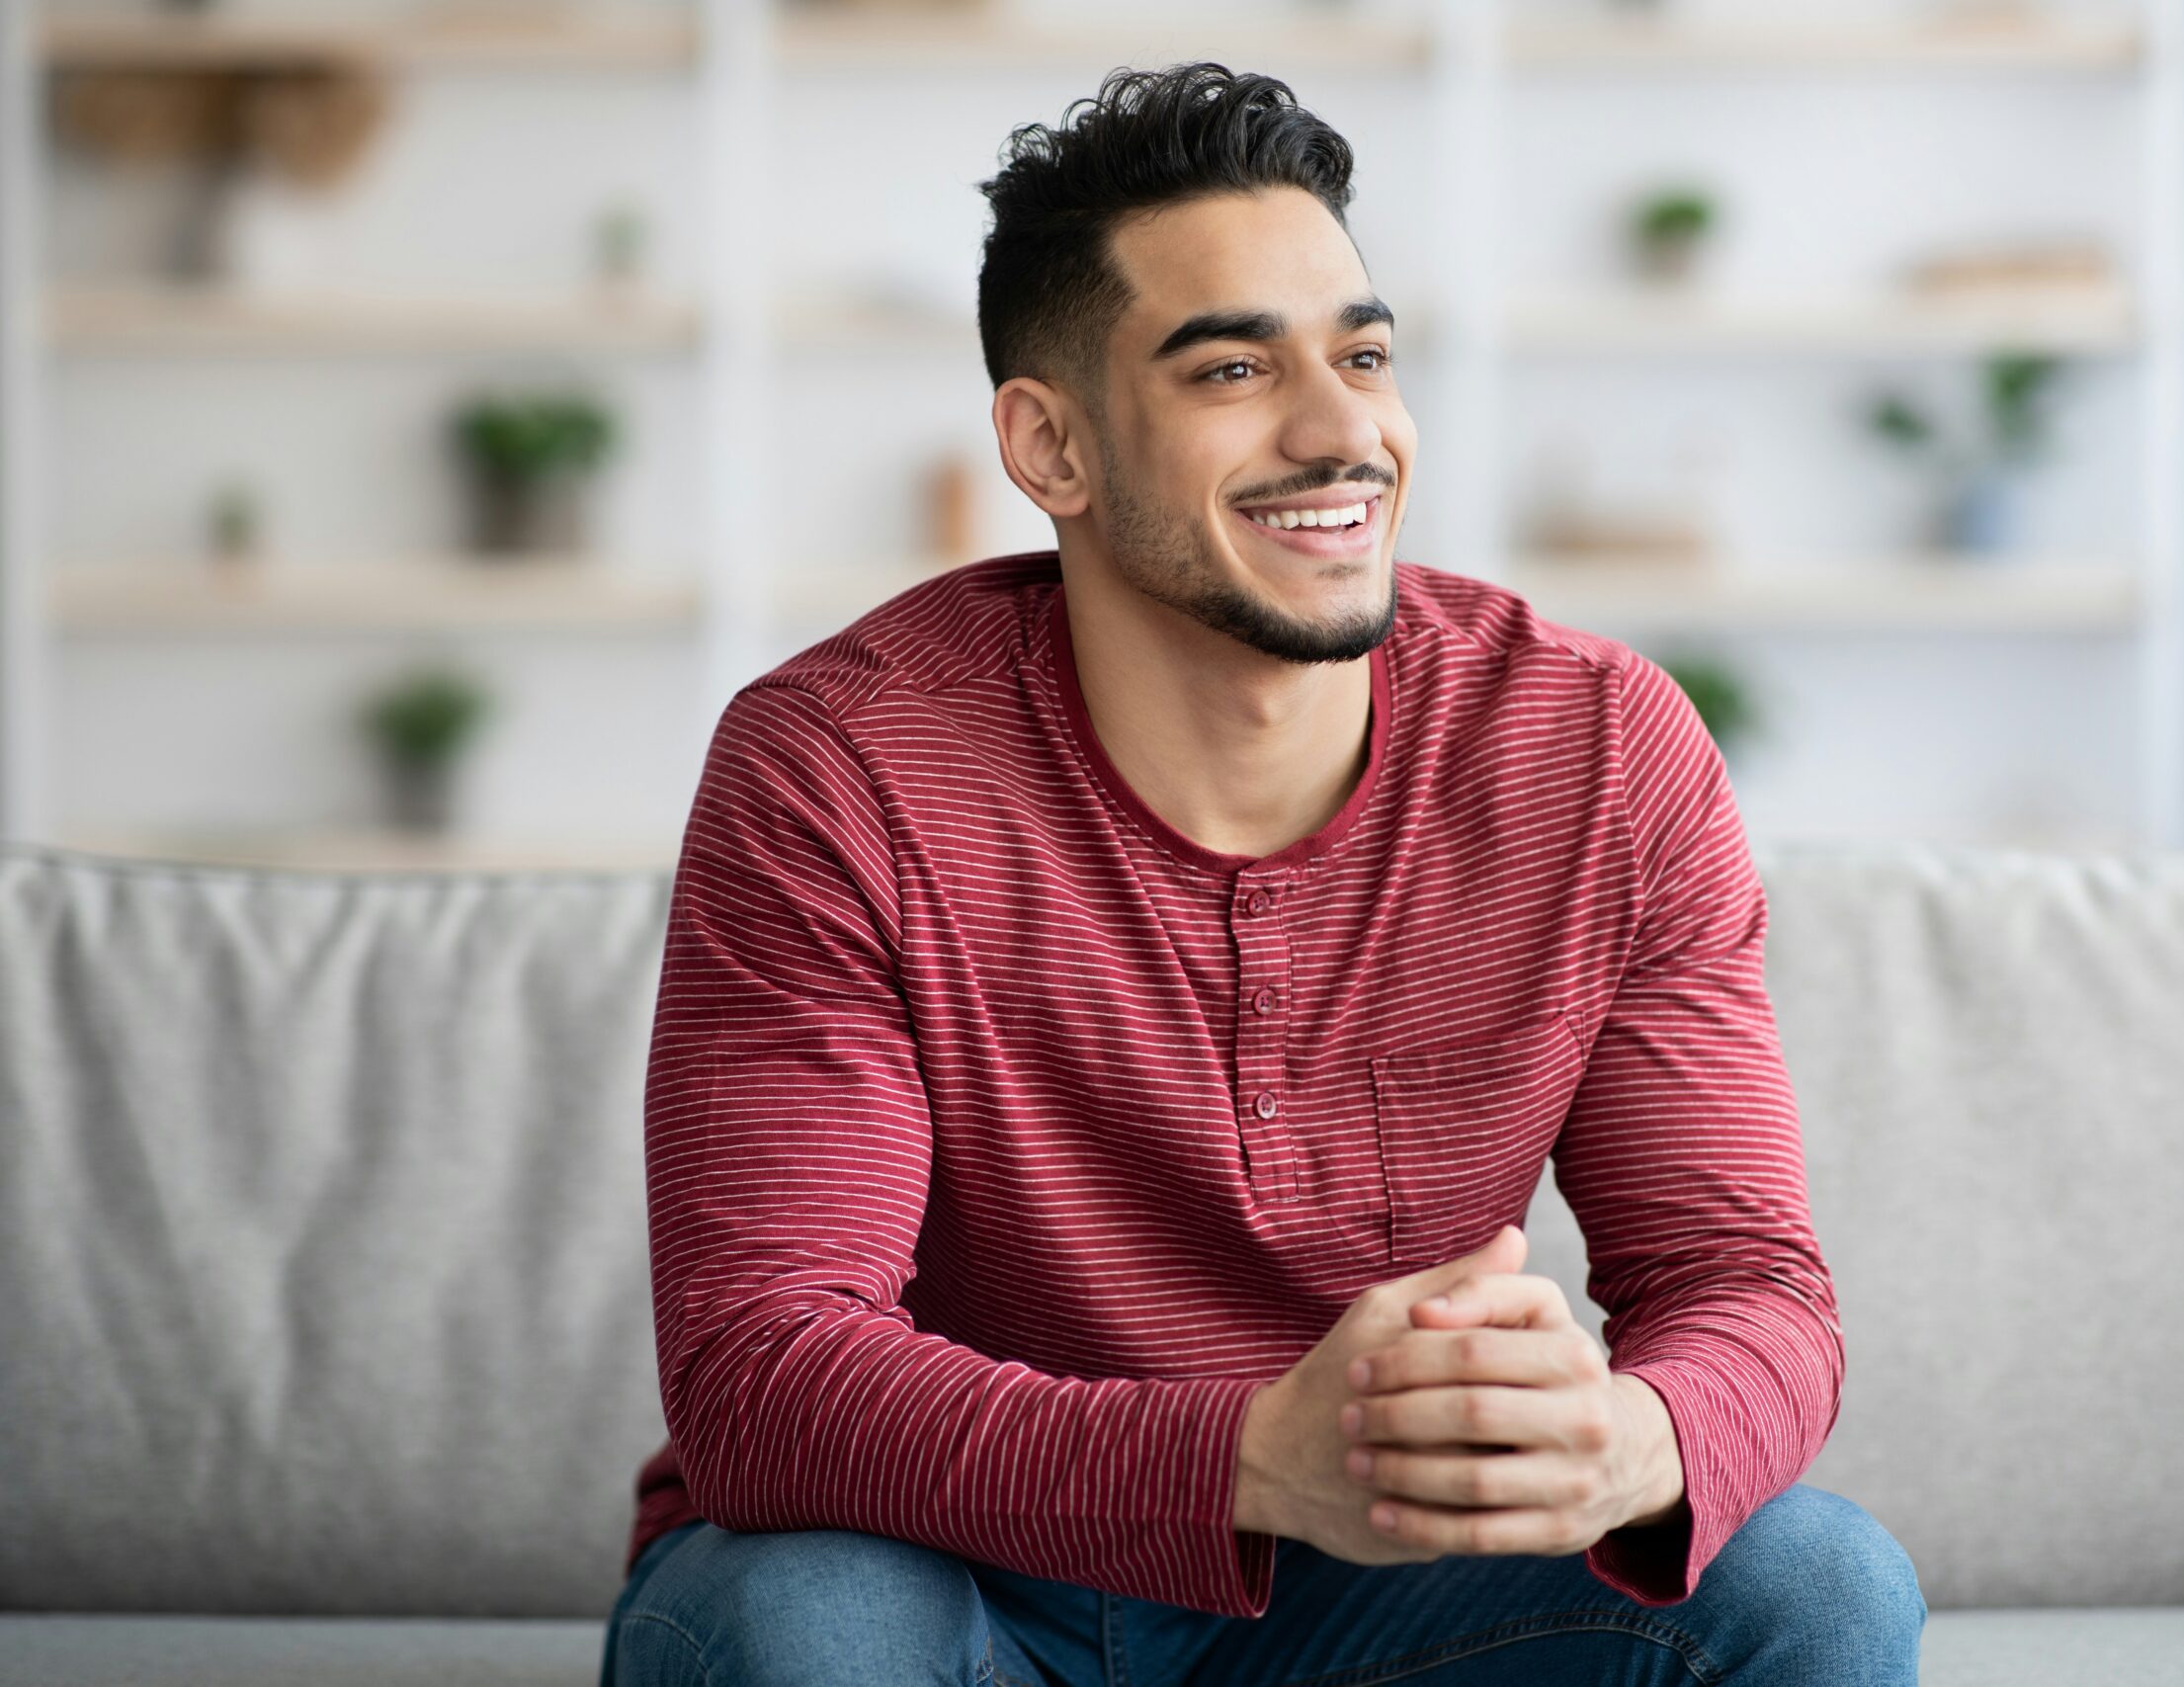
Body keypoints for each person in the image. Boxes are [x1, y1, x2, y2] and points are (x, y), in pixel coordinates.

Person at [601, 60, 1923, 1687]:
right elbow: (762, 1373)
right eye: (1234, 368)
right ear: (1051, 445)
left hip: (1370, 1587)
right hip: (948, 1572)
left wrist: (1633, 1440)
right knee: (810, 1630)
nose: (1342, 432)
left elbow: (1745, 1284)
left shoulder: (1596, 748)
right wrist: (1243, 1462)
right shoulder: (839, 767)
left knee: (1816, 1585)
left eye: (1362, 356)